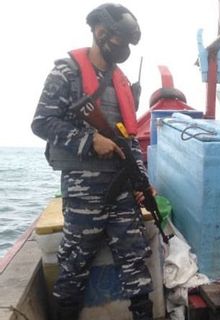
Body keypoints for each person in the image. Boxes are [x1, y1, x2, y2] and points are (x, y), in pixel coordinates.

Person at [31, 3, 154, 319]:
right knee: (75, 265)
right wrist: (89, 140)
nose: (124, 50)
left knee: (135, 261)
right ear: (101, 33)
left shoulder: (120, 81)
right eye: (120, 42)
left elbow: (127, 139)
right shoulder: (66, 72)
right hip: (84, 189)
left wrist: (142, 180)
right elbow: (42, 122)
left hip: (122, 187)